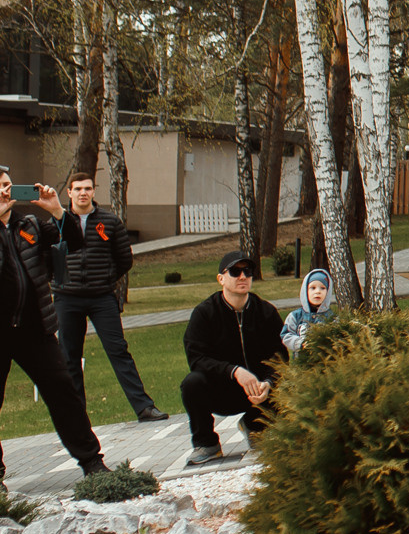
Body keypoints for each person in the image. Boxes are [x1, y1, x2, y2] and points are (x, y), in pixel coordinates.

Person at [0, 165, 108, 483]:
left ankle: (92, 462)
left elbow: (73, 243)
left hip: (35, 330)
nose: (6, 190)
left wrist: (58, 211)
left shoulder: (30, 224)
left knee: (64, 391)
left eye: (8, 184)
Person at [54, 170, 166, 422]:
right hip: (67, 298)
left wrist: (104, 277)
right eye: (78, 189)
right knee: (69, 357)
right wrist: (60, 280)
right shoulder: (56, 221)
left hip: (101, 297)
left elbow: (125, 259)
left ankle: (144, 407)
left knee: (118, 351)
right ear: (69, 192)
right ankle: (76, 417)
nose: (83, 193)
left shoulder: (110, 221)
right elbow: (46, 257)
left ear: (93, 191)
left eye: (88, 188)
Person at [179, 250, 288, 467]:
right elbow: (197, 358)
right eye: (235, 271)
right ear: (221, 278)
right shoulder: (204, 313)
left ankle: (255, 427)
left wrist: (268, 383)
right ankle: (206, 444)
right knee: (191, 383)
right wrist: (234, 371)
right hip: (221, 390)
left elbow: (280, 357)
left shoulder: (266, 312)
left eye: (247, 271)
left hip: (258, 391)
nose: (242, 277)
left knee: (288, 382)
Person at [280, 268, 336, 356]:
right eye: (312, 288)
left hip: (324, 364)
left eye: (322, 288)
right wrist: (300, 343)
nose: (317, 292)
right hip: (301, 364)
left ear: (328, 292)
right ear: (305, 291)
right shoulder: (295, 316)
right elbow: (286, 335)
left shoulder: (332, 318)